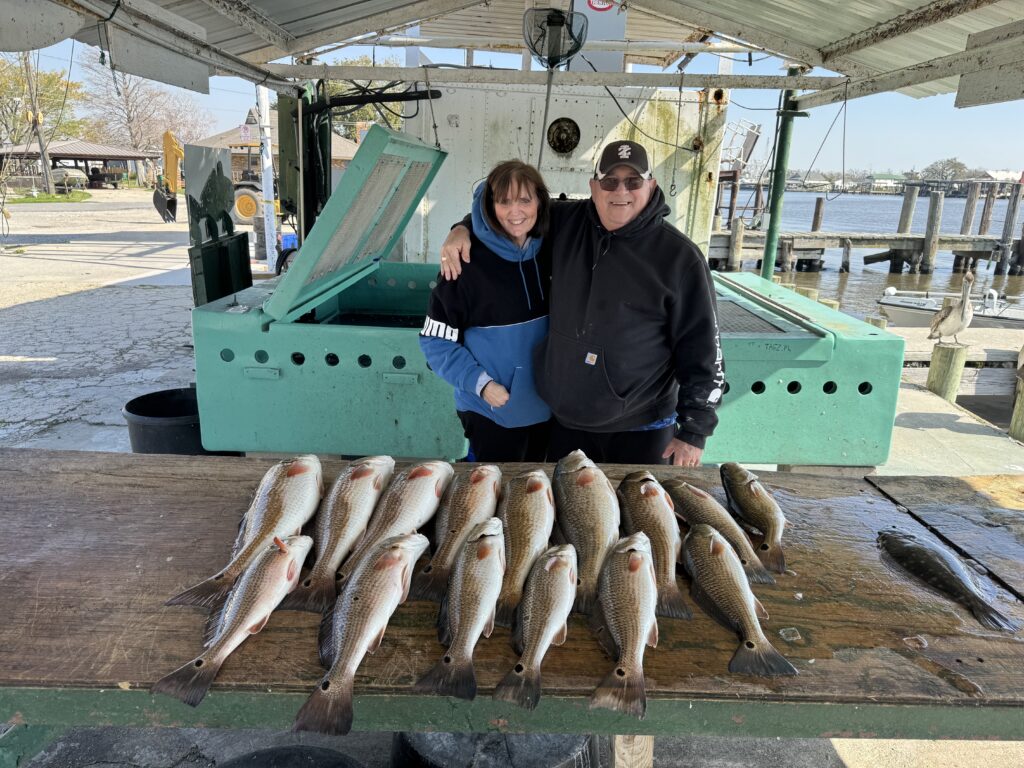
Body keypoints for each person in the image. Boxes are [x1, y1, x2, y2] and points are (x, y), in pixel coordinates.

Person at [440, 140, 724, 467]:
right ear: (593, 186)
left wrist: (694, 431)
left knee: (638, 517)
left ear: (651, 185)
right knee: (571, 514)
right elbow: (510, 214)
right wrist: (462, 228)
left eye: (633, 181)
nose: (621, 191)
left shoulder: (680, 258)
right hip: (567, 425)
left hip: (642, 428)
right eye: (609, 181)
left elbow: (703, 350)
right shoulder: (564, 222)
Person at [419, 160, 552, 462]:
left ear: (540, 202)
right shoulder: (464, 264)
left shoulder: (552, 249)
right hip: (493, 410)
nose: (515, 212)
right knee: (491, 495)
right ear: (489, 206)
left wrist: (461, 225)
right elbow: (434, 341)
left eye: (524, 200)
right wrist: (482, 385)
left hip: (546, 409)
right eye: (503, 201)